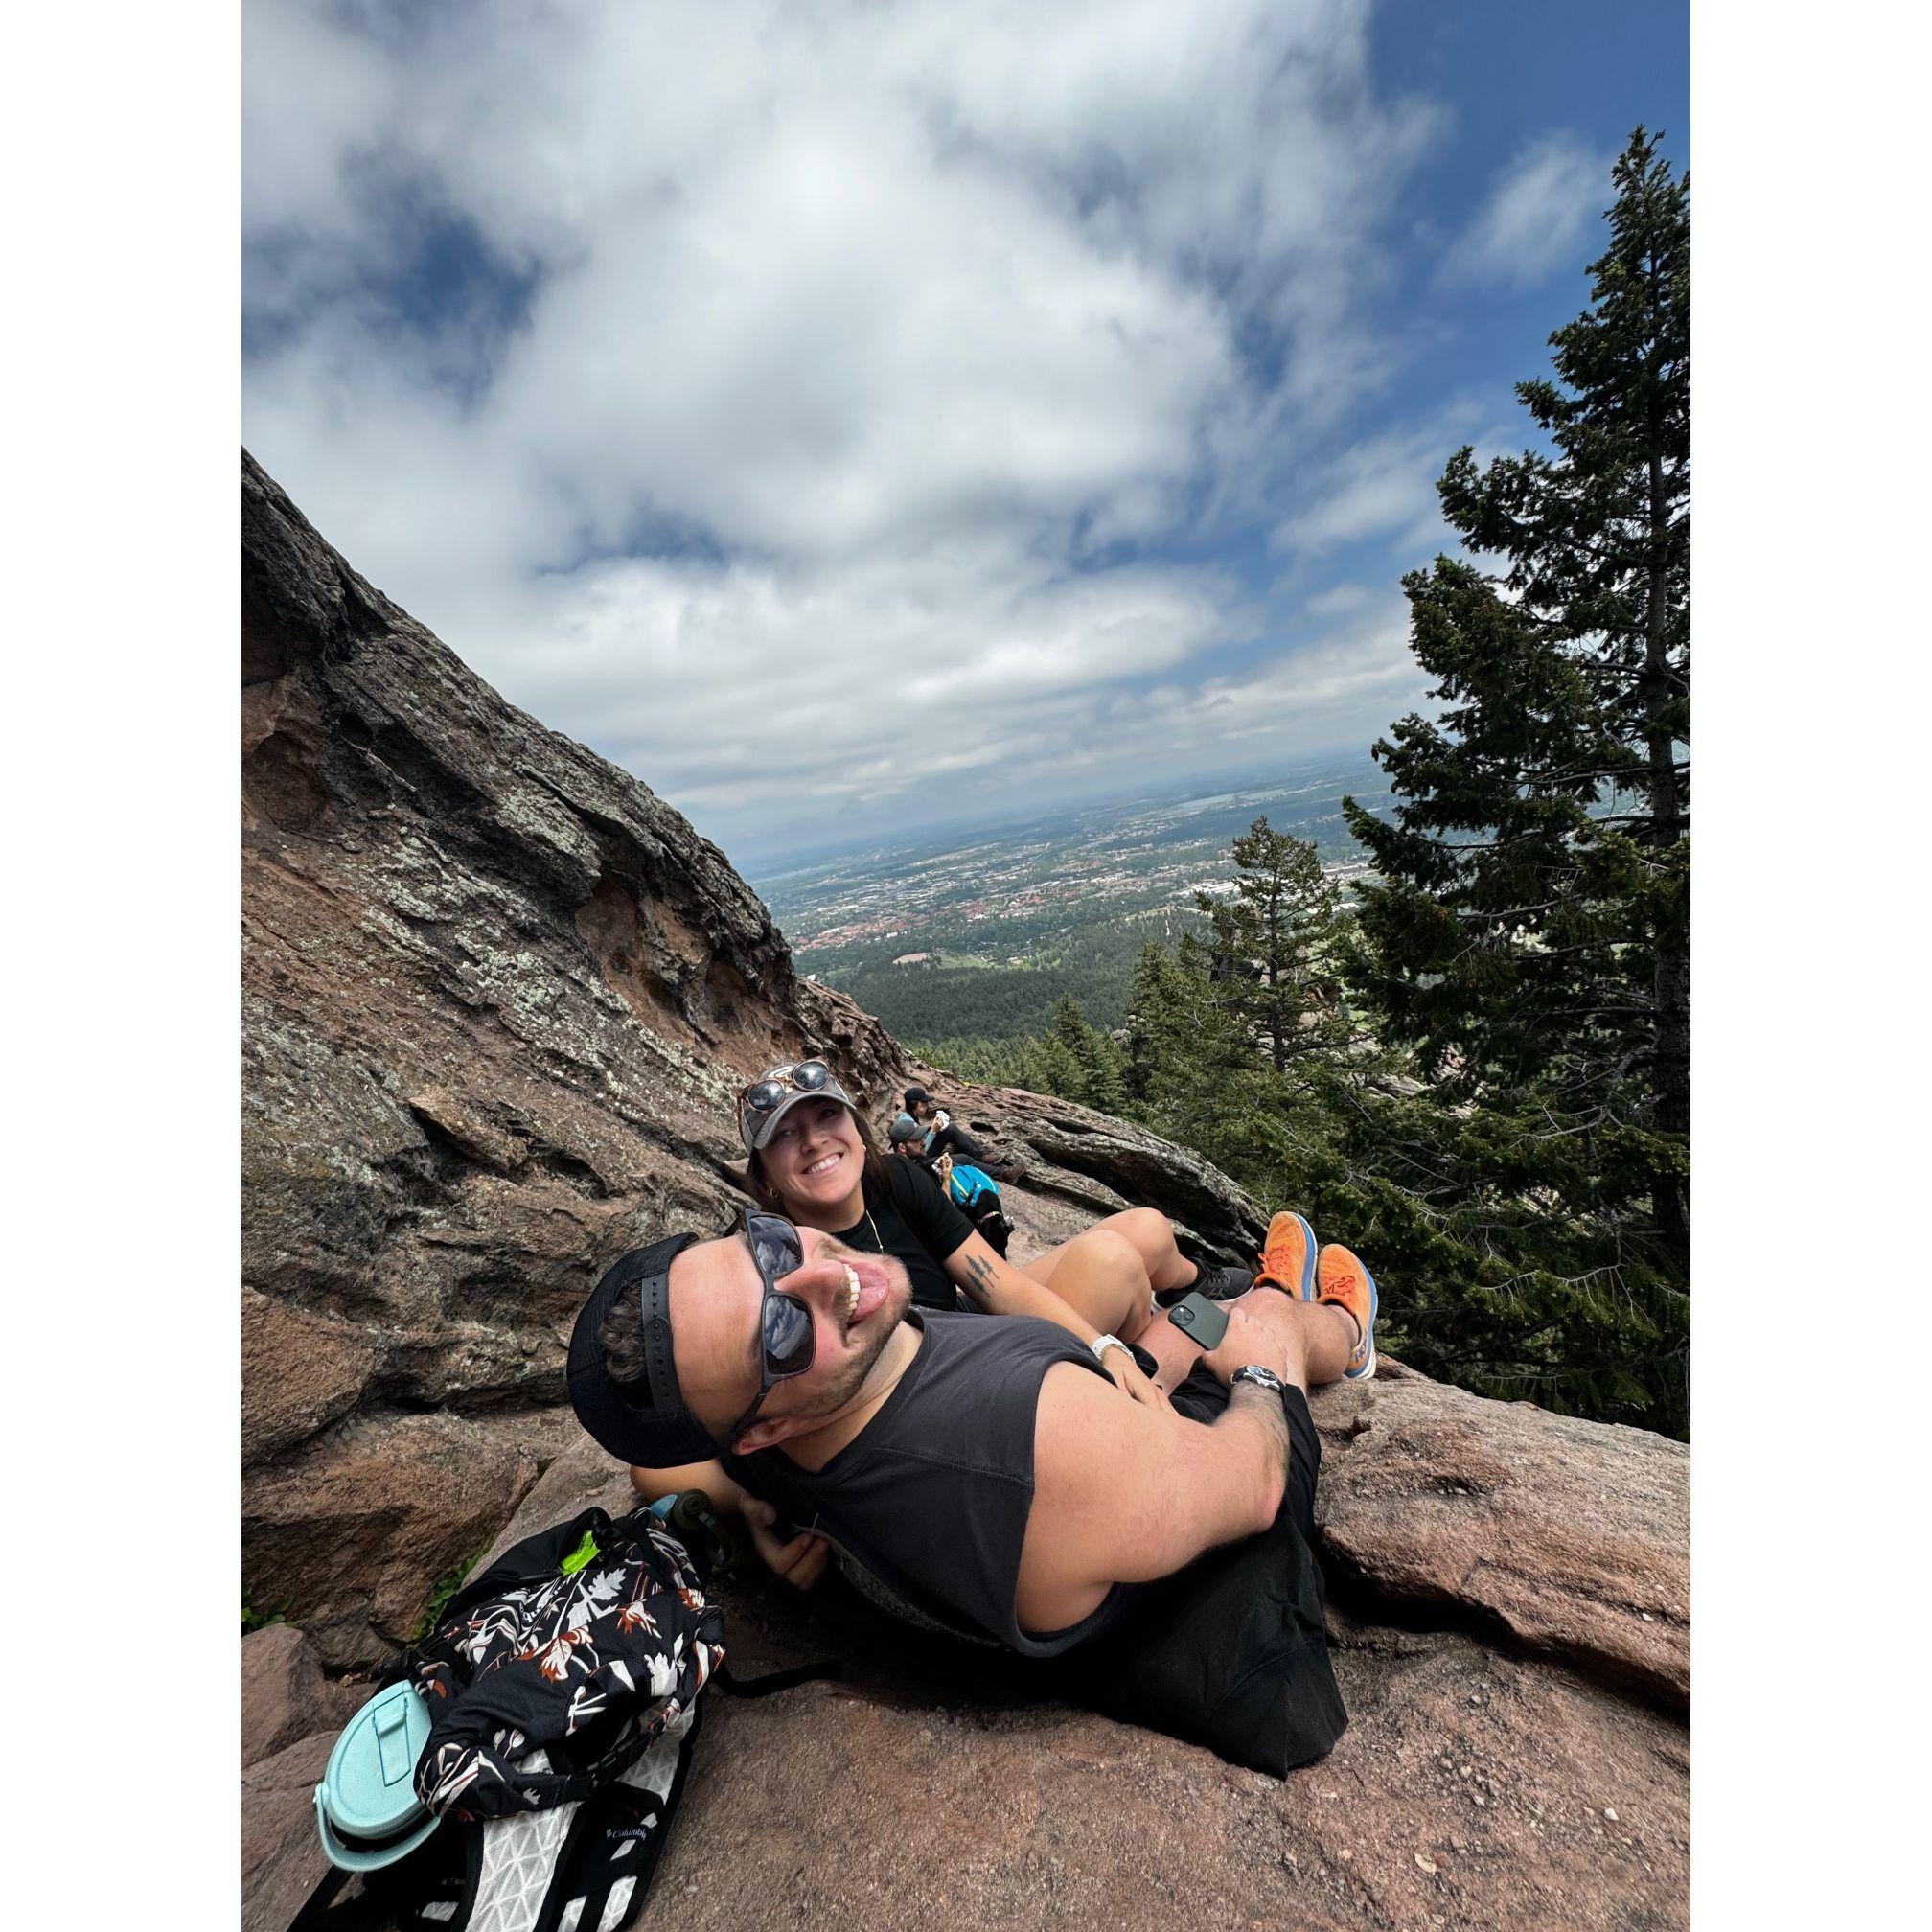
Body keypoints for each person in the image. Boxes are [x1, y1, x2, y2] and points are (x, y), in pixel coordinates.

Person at [565, 1207, 1377, 1760]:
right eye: (778, 1332)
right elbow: (1255, 1482)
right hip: (1155, 1497)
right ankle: (1339, 1325)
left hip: (1104, 1460)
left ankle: (1244, 1306)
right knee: (1256, 1324)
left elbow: (652, 1470)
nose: (822, 1277)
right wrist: (1261, 1377)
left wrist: (750, 1513)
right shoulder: (1025, 1441)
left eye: (772, 1248)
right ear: (764, 1426)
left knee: (1185, 1320)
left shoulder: (765, 1425)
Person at [738, 1059, 1173, 1411]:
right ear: (766, 1177)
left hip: (967, 1320)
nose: (814, 1141)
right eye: (785, 1134)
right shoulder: (776, 1262)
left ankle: (1156, 1331)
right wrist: (1102, 1347)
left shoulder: (893, 1179)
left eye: (827, 1115)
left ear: (857, 1130)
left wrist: (1104, 1348)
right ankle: (1157, 1366)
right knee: (1114, 1262)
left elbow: (995, 1284)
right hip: (955, 1381)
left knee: (1144, 1227)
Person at [890, 1114, 1012, 1256]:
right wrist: (946, 1178)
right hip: (941, 1236)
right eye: (917, 1140)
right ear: (902, 1147)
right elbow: (943, 1211)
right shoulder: (914, 1176)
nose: (923, 1143)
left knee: (961, 1161)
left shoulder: (906, 1164)